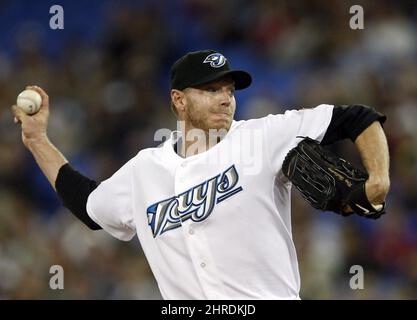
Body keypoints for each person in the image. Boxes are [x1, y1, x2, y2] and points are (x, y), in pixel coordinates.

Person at [12, 49, 390, 299]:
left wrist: (378, 178)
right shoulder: (145, 170)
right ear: (179, 100)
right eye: (210, 90)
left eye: (229, 89)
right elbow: (88, 205)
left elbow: (357, 118)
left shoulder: (263, 136)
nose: (225, 98)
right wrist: (36, 140)